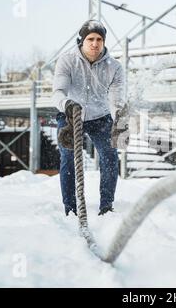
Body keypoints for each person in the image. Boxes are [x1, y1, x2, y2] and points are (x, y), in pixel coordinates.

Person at [52, 19, 129, 217]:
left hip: (100, 116)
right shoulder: (67, 60)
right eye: (90, 39)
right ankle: (70, 208)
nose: (95, 43)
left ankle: (106, 206)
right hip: (70, 113)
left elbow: (116, 99)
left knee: (110, 157)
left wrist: (119, 119)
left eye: (99, 39)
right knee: (68, 157)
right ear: (82, 41)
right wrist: (67, 104)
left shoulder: (115, 68)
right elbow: (58, 91)